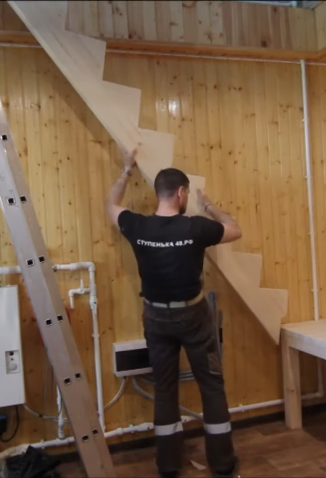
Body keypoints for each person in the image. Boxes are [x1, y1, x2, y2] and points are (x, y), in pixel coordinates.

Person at [105, 148, 242, 478]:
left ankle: (168, 466)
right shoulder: (196, 227)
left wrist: (126, 170)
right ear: (181, 193)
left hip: (155, 318)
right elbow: (234, 228)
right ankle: (223, 465)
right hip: (194, 316)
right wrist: (209, 206)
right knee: (211, 385)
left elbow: (110, 204)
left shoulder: (137, 225)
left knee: (165, 388)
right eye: (187, 193)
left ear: (159, 193)